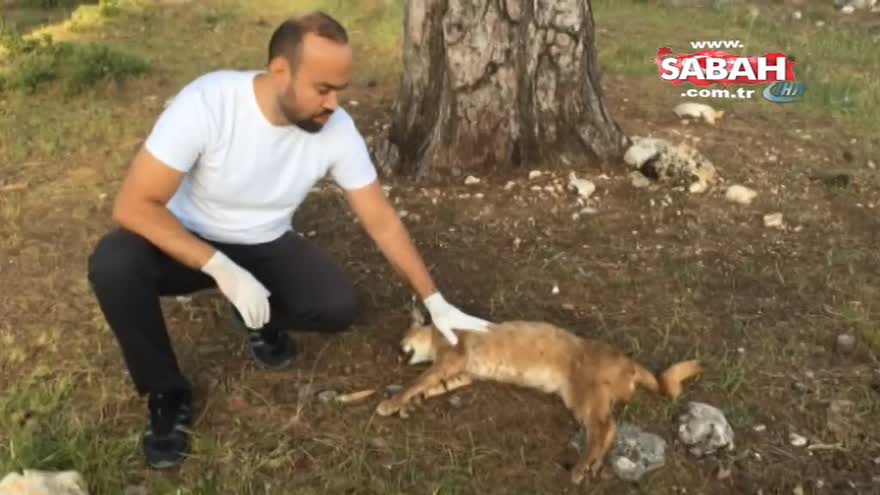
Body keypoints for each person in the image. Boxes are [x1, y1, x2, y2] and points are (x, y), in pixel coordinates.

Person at [86, 11, 492, 470]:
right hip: (185, 240)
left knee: (337, 305)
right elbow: (133, 206)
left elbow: (380, 219)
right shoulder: (207, 103)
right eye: (323, 89)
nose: (334, 103)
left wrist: (434, 300)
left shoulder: (336, 130)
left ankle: (255, 315)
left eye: (340, 89)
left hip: (265, 243)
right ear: (280, 71)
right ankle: (166, 391)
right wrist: (220, 267)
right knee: (114, 264)